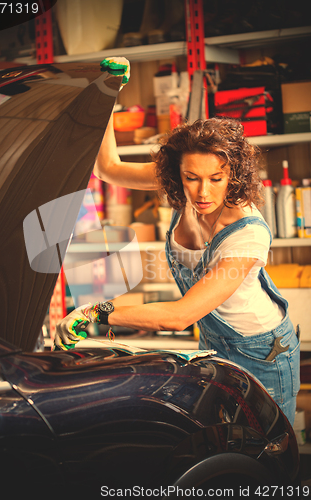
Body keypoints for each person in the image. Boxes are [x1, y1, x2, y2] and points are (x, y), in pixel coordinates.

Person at [55, 104, 300, 427]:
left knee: (264, 459)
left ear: (233, 175)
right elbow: (108, 169)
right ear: (178, 172)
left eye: (217, 178)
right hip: (213, 342)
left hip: (261, 353)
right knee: (218, 449)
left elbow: (180, 315)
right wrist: (110, 97)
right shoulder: (182, 184)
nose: (202, 191)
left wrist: (94, 311)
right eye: (191, 178)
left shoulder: (247, 235)